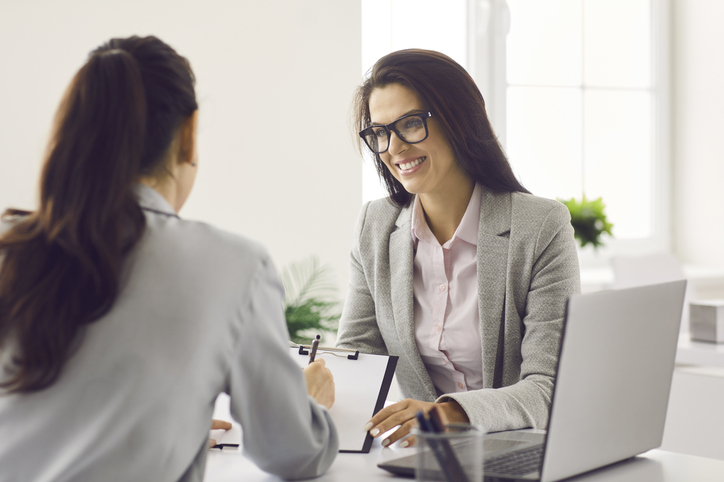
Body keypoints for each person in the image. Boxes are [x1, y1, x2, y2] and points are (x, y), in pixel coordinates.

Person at [0, 36, 338, 481]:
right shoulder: (234, 266)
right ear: (189, 134)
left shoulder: (11, 247)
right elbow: (293, 453)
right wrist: (305, 402)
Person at [335, 49, 580, 448]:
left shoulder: (540, 226)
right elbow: (357, 358)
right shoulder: (375, 226)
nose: (394, 148)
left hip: (522, 451)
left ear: (458, 120)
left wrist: (449, 413)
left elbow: (549, 386)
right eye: (380, 133)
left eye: (411, 124)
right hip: (429, 457)